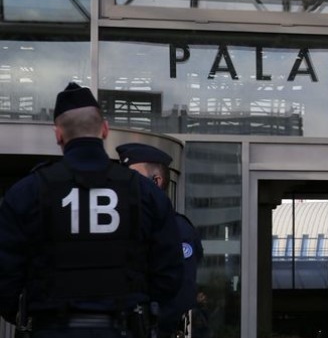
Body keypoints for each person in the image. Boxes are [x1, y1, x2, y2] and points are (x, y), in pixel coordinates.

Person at [0, 82, 183, 338]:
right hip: (124, 328)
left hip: (51, 330)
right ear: (105, 129)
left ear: (58, 134)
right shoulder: (146, 193)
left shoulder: (27, 193)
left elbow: (6, 278)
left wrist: (29, 316)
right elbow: (170, 275)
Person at [116, 143, 204, 338]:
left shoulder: (177, 229)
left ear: (156, 181)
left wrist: (151, 326)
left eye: (134, 178)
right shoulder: (125, 225)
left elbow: (181, 294)